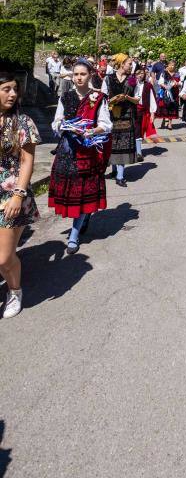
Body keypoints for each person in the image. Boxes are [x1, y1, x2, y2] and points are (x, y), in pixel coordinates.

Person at [49, 59, 112, 254]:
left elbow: (107, 124)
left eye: (82, 74)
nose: (78, 78)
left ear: (90, 75)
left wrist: (92, 131)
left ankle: (74, 235)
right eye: (75, 74)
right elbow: (56, 122)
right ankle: (81, 221)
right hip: (67, 151)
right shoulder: (65, 97)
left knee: (85, 193)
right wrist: (63, 126)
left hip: (87, 151)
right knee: (70, 193)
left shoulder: (99, 98)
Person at [0, 71, 41, 319]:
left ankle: (15, 291)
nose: (13, 94)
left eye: (15, 89)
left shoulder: (23, 122)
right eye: (6, 89)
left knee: (4, 258)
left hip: (12, 193)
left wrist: (18, 194)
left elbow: (27, 162)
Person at [102, 55, 138, 187]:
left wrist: (127, 97)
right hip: (111, 115)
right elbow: (103, 98)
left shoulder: (132, 80)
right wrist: (113, 99)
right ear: (121, 64)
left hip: (127, 115)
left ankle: (120, 176)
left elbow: (137, 99)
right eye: (129, 63)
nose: (131, 66)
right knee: (112, 142)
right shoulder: (108, 78)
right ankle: (114, 170)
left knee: (123, 144)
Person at [134, 65, 157, 159]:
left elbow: (152, 99)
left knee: (140, 131)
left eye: (142, 73)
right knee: (134, 131)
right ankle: (135, 151)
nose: (140, 75)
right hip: (133, 110)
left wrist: (152, 113)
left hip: (143, 111)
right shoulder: (131, 84)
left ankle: (139, 153)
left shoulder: (148, 85)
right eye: (138, 73)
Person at [156, 60, 180, 130]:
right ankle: (163, 119)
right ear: (168, 66)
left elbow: (180, 82)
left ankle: (170, 123)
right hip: (165, 92)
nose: (172, 66)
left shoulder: (177, 74)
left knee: (172, 108)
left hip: (174, 93)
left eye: (173, 65)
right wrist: (166, 87)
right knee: (164, 106)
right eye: (171, 65)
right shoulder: (164, 73)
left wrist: (177, 84)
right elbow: (160, 82)